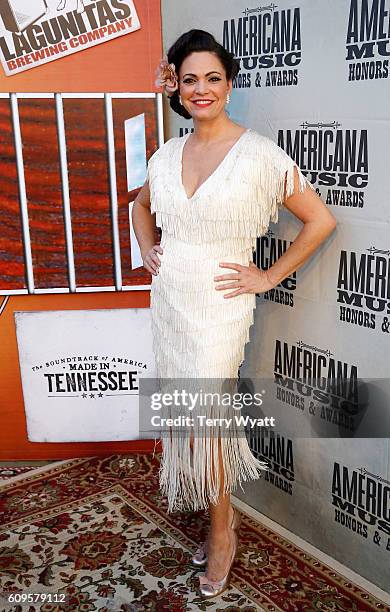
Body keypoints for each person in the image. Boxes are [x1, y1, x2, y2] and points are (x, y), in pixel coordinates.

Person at [132, 29, 337, 599]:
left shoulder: (259, 155)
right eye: (189, 79)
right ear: (175, 85)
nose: (201, 90)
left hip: (220, 306)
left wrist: (268, 275)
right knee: (185, 416)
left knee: (208, 418)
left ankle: (223, 530)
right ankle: (215, 515)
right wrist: (150, 248)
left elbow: (319, 221)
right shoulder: (167, 154)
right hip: (170, 300)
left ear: (230, 84)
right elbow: (140, 205)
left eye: (213, 78)